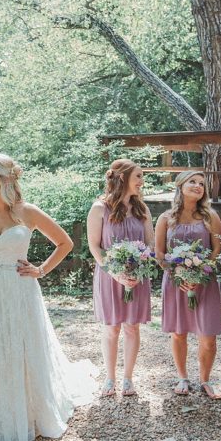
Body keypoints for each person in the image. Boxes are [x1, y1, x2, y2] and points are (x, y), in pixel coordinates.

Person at [0, 154, 95, 441]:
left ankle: (26, 409)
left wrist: (40, 270)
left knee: (20, 344)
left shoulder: (28, 213)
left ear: (4, 181)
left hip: (19, 290)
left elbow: (65, 243)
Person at [87, 159, 155, 397]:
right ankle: (110, 378)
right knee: (111, 328)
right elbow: (95, 247)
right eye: (138, 176)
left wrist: (139, 270)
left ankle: (128, 378)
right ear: (123, 178)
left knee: (132, 328)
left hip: (137, 277)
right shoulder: (99, 208)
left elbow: (151, 244)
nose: (141, 181)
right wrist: (115, 272)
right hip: (109, 275)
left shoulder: (142, 209)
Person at [155, 171, 221, 399]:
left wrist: (199, 274)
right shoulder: (166, 218)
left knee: (208, 336)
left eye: (202, 184)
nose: (198, 186)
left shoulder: (210, 216)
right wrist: (178, 274)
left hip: (205, 282)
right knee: (178, 333)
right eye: (192, 182)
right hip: (176, 283)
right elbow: (159, 253)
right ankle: (182, 377)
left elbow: (217, 249)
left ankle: (205, 379)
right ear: (180, 186)